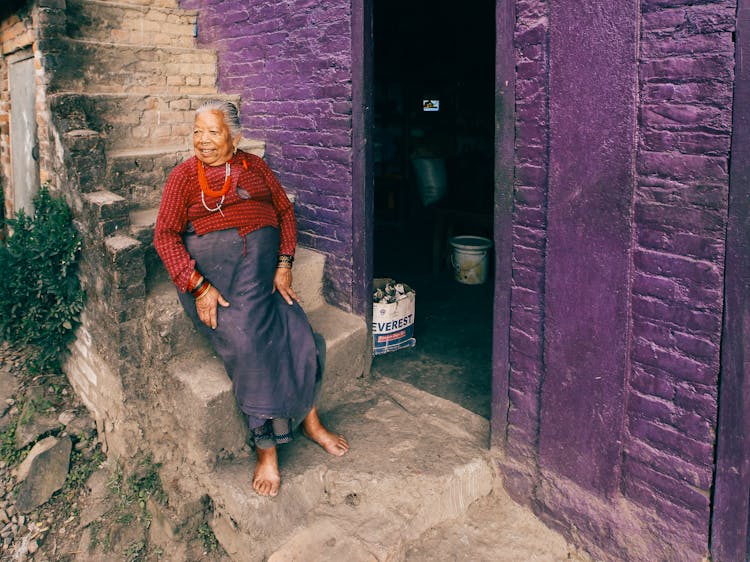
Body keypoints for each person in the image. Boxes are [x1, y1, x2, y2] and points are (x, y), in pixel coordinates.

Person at [154, 99, 348, 497]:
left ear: (236, 137)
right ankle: (266, 449)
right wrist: (197, 285)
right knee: (250, 342)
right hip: (216, 281)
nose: (202, 141)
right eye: (197, 131)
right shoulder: (184, 178)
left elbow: (285, 212)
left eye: (213, 132)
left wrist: (283, 263)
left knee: (299, 332)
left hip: (261, 274)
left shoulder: (255, 168)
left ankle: (309, 418)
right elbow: (165, 236)